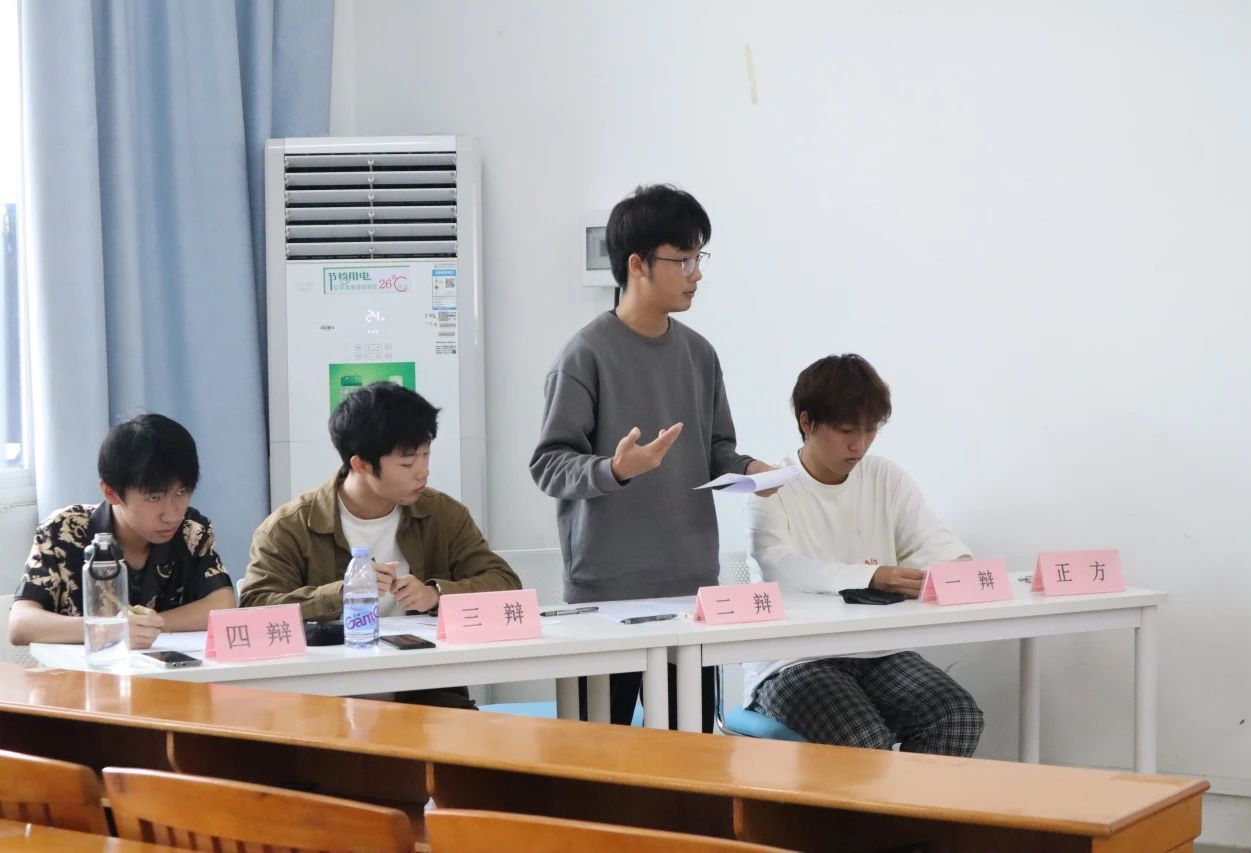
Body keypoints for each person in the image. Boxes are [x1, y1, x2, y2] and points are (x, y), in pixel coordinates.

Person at [530, 184, 774, 730]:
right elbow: (548, 464)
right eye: (683, 260)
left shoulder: (699, 353)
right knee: (600, 754)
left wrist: (752, 472)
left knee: (689, 752)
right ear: (637, 264)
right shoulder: (585, 354)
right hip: (606, 593)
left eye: (699, 258)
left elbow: (715, 449)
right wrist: (615, 470)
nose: (697, 273)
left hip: (690, 586)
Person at [744, 354, 984, 755]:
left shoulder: (884, 476)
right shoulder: (771, 487)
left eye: (870, 429)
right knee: (863, 742)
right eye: (845, 430)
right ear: (807, 422)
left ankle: (906, 800)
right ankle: (883, 799)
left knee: (956, 717)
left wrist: (949, 573)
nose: (859, 444)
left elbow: (937, 545)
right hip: (793, 659)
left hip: (879, 650)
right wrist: (870, 576)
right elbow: (779, 568)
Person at [241, 381, 519, 709]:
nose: (423, 472)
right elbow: (254, 608)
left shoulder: (443, 514)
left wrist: (436, 595)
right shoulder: (290, 526)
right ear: (361, 465)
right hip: (322, 695)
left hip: (426, 690)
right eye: (407, 463)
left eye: (426, 455)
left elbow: (505, 584)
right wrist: (342, 594)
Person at [9, 414, 235, 648]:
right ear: (111, 492)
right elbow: (21, 624)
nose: (172, 514)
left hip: (168, 670)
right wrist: (107, 629)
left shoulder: (191, 531)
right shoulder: (62, 530)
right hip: (78, 670)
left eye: (181, 492)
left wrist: (148, 626)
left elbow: (223, 604)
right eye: (154, 497)